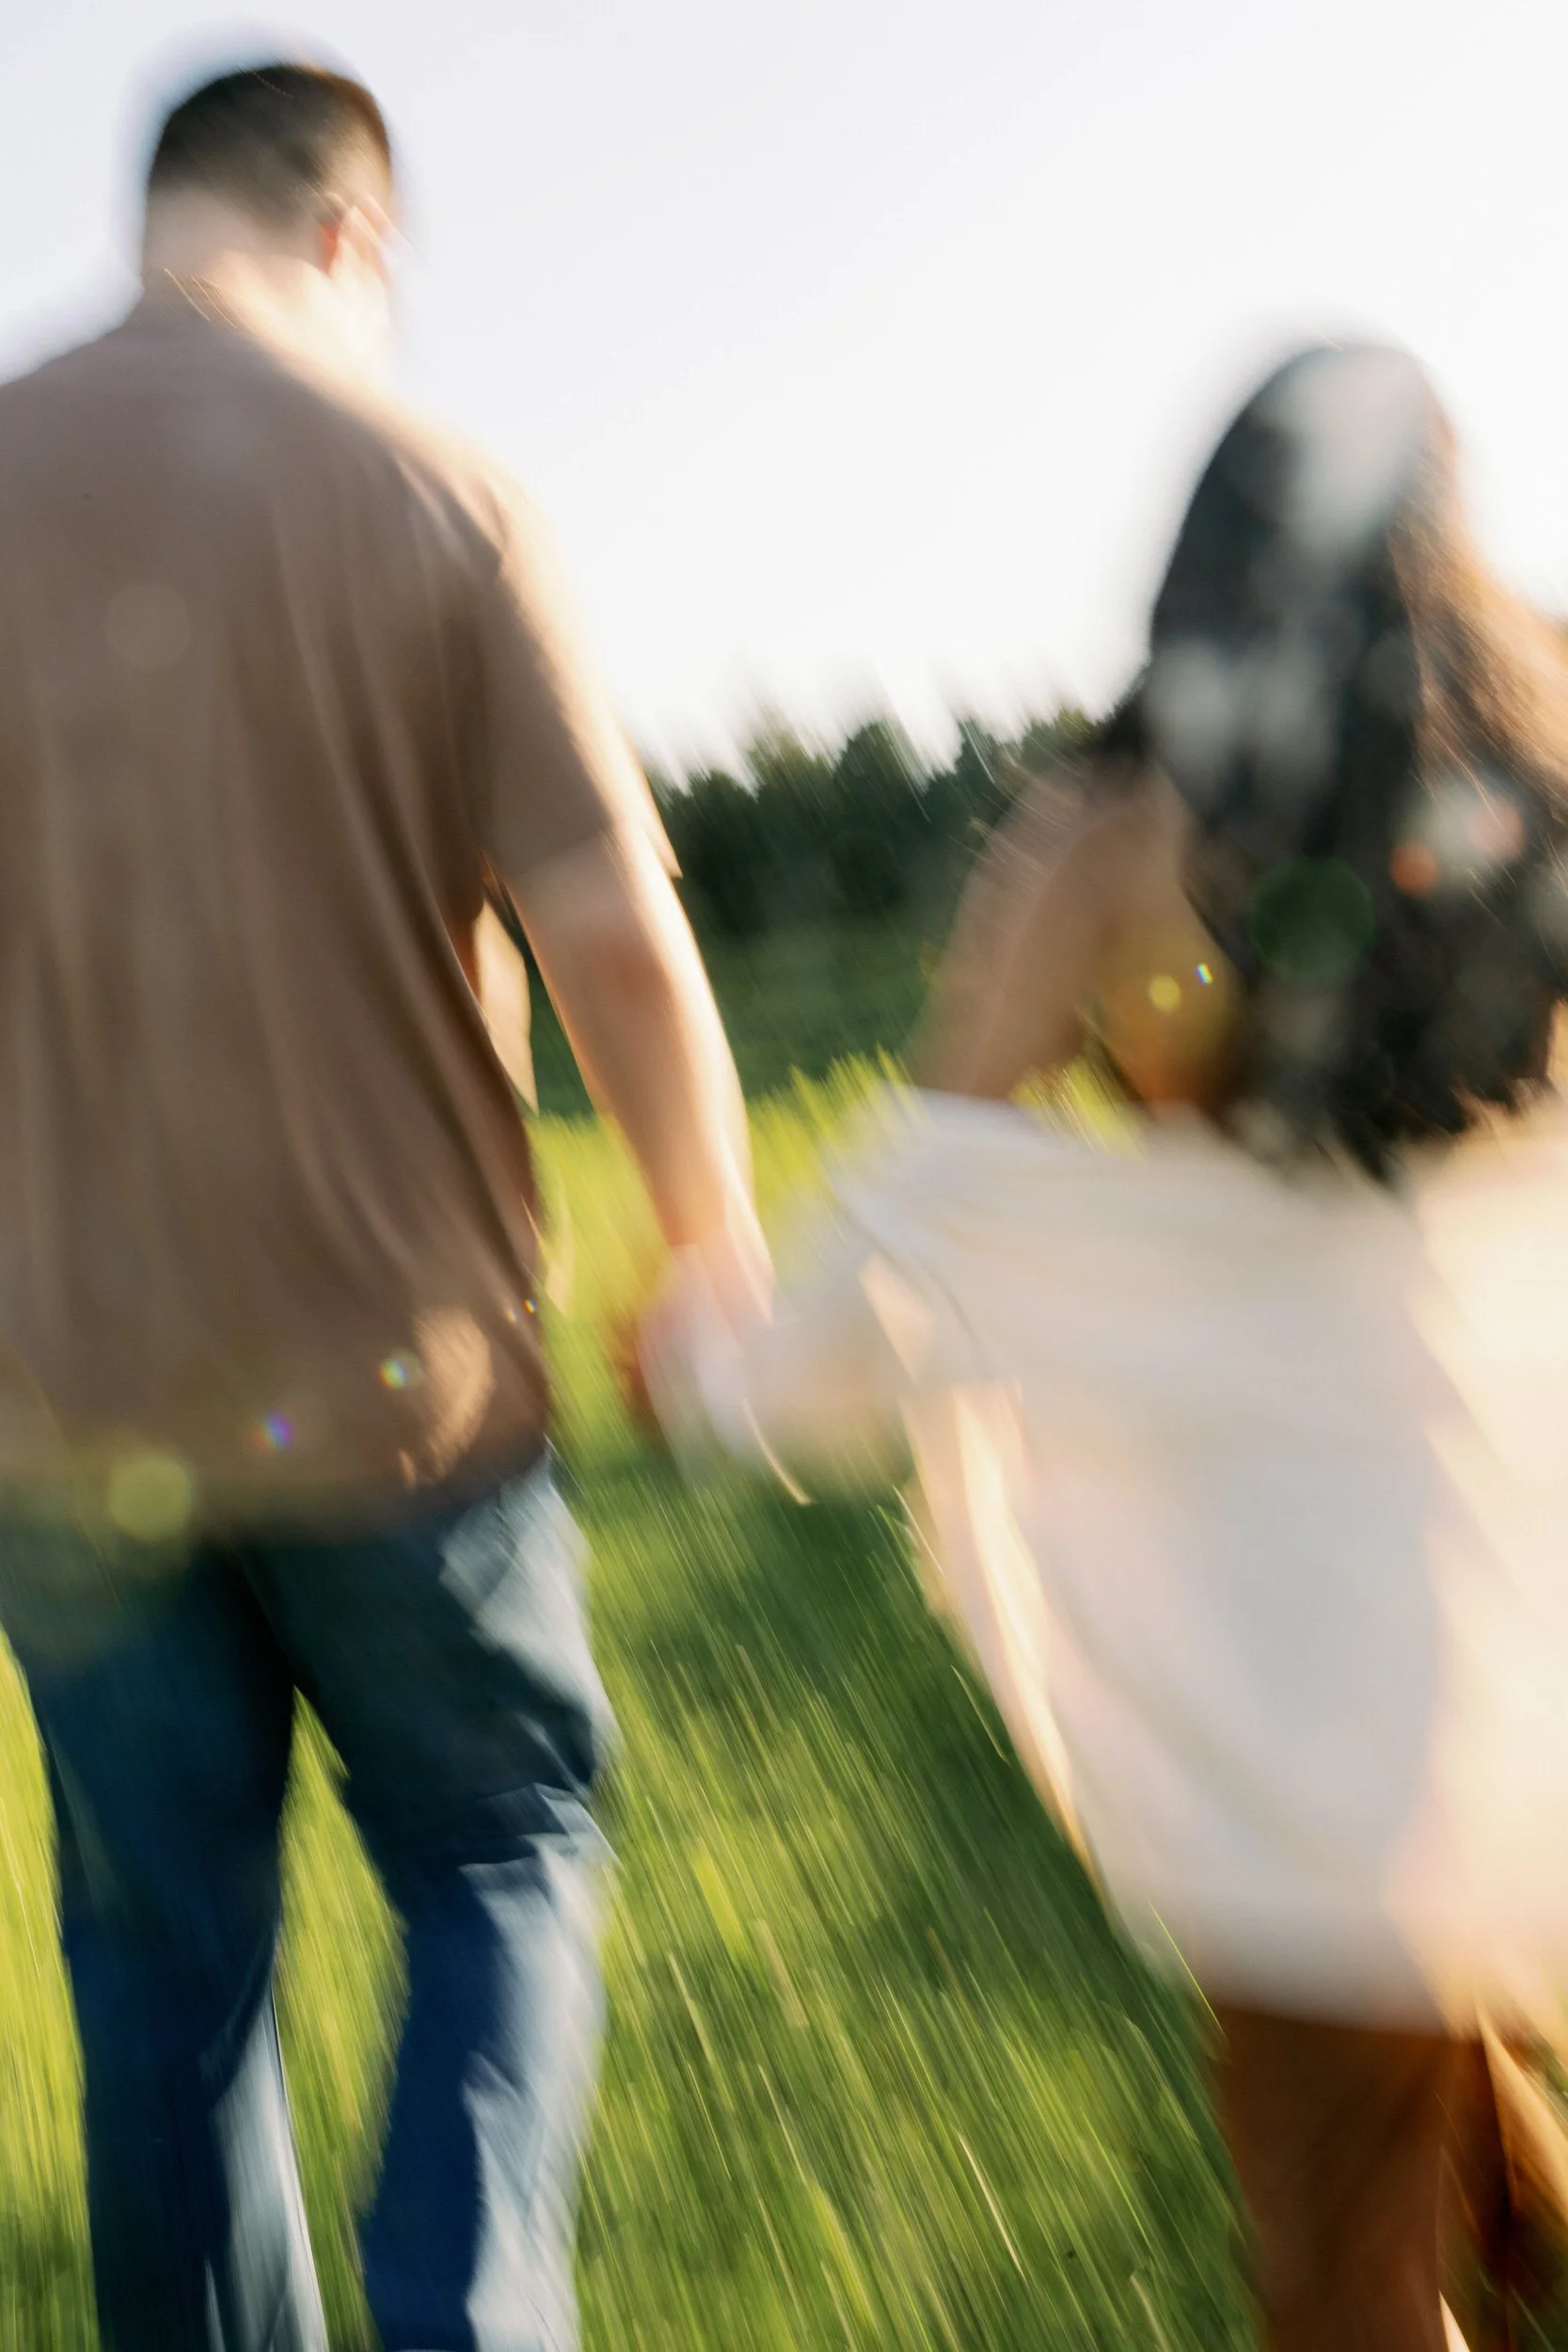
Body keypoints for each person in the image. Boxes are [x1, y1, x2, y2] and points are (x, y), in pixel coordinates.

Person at [641, 343, 1568, 2351]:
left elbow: (918, 1216)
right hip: (1522, 1586)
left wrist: (716, 1366)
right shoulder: (1547, 781)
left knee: (1339, 2276)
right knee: (1447, 2045)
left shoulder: (1109, 834)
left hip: (1293, 1668)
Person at [0, 57, 766, 2352]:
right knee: (500, 1847)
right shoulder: (435, 491)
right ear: (354, 237)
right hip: (407, 1392)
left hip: (60, 1423)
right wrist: (712, 1246)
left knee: (158, 1974)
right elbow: (611, 925)